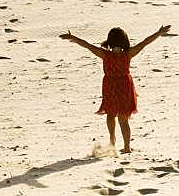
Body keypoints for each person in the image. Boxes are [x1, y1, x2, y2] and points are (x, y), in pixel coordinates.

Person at [60, 24, 171, 153]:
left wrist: (72, 37)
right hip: (124, 86)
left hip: (110, 85)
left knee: (111, 113)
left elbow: (87, 45)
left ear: (110, 41)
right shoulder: (128, 54)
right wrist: (158, 33)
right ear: (125, 41)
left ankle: (112, 140)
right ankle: (126, 147)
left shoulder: (104, 54)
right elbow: (145, 42)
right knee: (123, 118)